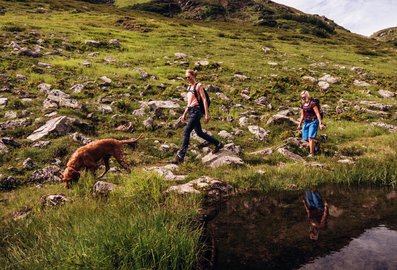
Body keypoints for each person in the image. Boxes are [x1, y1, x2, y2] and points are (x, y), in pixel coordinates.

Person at [170, 70, 223, 164]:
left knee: (186, 132)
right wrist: (184, 114)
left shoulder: (198, 86)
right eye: (186, 77)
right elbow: (189, 103)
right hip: (191, 111)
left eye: (189, 77)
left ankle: (180, 157)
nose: (187, 79)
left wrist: (206, 114)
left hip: (197, 111)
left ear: (193, 76)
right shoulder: (189, 87)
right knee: (199, 133)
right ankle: (218, 143)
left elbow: (204, 99)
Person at [297, 91, 325, 157]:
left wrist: (320, 123)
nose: (303, 99)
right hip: (306, 122)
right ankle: (315, 143)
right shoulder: (303, 105)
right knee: (305, 138)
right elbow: (302, 115)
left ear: (307, 96)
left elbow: (317, 114)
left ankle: (311, 153)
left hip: (313, 121)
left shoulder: (312, 104)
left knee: (310, 137)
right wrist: (299, 124)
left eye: (304, 97)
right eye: (302, 97)